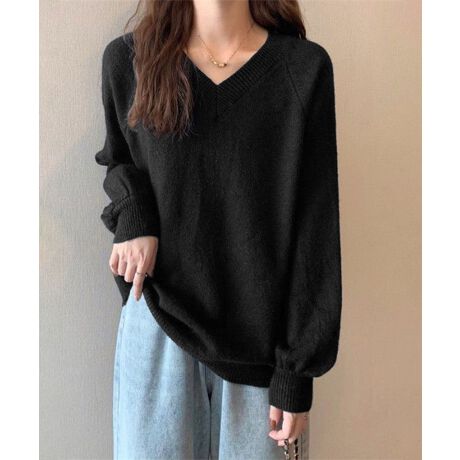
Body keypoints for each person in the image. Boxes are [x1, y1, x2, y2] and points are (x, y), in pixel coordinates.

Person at [94, 0, 342, 459]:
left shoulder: (302, 70)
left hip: (262, 347)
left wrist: (296, 372)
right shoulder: (130, 61)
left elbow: (315, 231)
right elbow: (120, 159)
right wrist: (134, 214)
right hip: (158, 324)